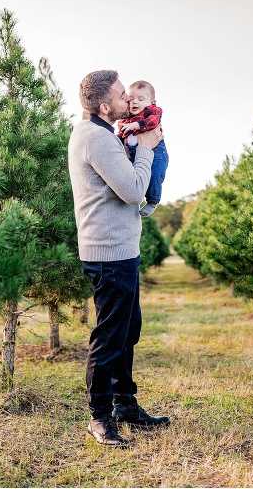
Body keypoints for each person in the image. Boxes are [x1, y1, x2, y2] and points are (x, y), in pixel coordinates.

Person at [68, 70, 170, 447]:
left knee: (128, 331)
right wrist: (145, 148)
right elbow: (131, 191)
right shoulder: (97, 138)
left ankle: (126, 404)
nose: (129, 99)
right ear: (105, 105)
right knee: (109, 337)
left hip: (122, 250)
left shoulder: (102, 134)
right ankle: (99, 417)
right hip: (109, 254)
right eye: (120, 94)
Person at [117, 80, 169, 217]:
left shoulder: (153, 111)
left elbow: (152, 122)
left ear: (152, 102)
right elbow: (121, 134)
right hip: (134, 152)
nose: (135, 102)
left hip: (156, 151)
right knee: (134, 176)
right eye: (131, 99)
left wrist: (135, 126)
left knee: (155, 173)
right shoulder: (125, 118)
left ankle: (152, 201)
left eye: (141, 99)